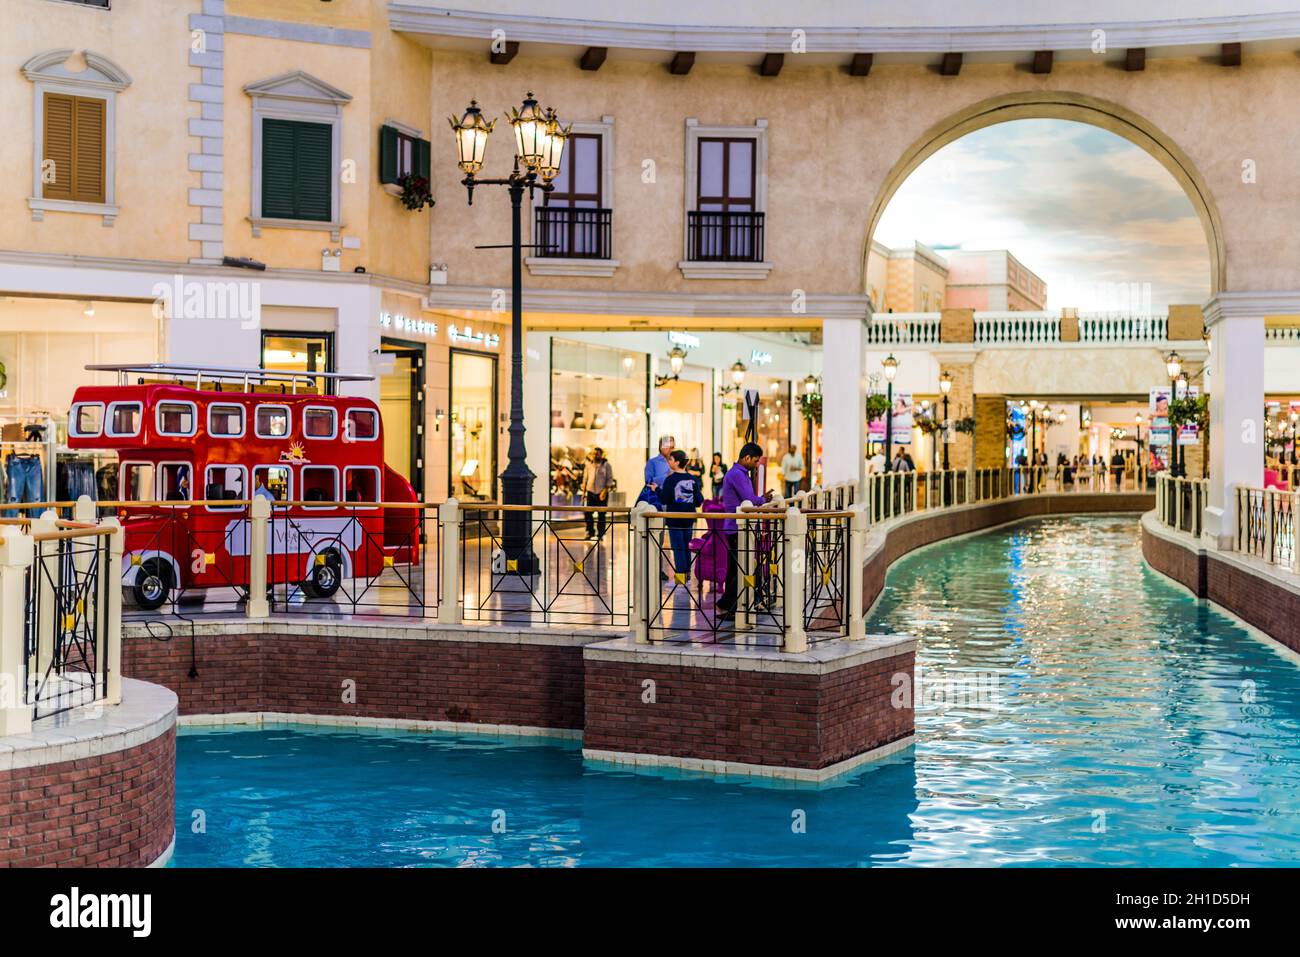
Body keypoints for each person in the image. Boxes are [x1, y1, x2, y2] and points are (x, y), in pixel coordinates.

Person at [717, 442, 768, 620]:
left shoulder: (739, 473)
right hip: (737, 528)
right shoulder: (737, 475)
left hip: (736, 527)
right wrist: (763, 499)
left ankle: (729, 604)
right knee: (738, 569)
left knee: (736, 568)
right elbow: (750, 499)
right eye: (755, 461)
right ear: (746, 458)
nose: (756, 465)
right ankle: (729, 606)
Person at [658, 450, 703, 583]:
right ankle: (687, 573)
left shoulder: (670, 480)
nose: (668, 461)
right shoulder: (693, 479)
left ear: (677, 462)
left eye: (670, 459)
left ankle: (681, 575)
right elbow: (699, 500)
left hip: (674, 519)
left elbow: (664, 499)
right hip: (688, 519)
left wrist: (657, 490)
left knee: (677, 547)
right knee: (685, 546)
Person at [581, 447, 614, 541]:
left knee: (601, 514)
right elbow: (585, 479)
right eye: (594, 453)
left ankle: (600, 533)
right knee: (587, 513)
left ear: (601, 454)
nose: (595, 455)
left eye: (597, 453)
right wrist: (583, 493)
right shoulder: (588, 465)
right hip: (590, 492)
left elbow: (610, 479)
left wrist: (605, 490)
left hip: (601, 492)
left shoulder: (607, 465)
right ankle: (590, 532)